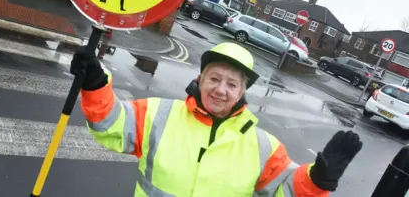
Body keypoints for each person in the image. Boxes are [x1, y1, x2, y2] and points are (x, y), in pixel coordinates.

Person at [70, 42, 363, 196]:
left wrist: (318, 179)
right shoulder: (159, 114)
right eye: (214, 78)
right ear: (200, 79)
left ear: (242, 91)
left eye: (232, 84)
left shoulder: (264, 147)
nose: (220, 90)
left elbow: (286, 190)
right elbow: (110, 124)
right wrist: (96, 85)